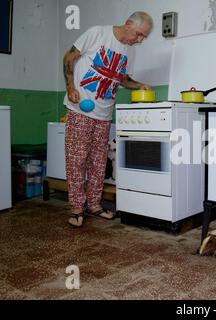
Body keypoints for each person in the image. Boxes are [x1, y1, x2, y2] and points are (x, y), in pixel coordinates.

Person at [63, 12, 153, 227]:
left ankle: (94, 205)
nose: (139, 40)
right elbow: (69, 57)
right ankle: (76, 208)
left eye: (144, 38)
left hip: (104, 114)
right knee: (77, 160)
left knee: (98, 162)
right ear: (129, 24)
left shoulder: (129, 51)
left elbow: (122, 78)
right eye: (139, 35)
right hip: (81, 108)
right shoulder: (98, 33)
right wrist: (70, 87)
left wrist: (138, 85)